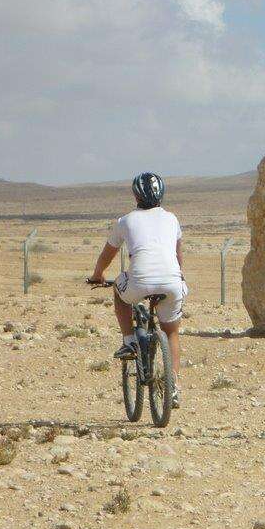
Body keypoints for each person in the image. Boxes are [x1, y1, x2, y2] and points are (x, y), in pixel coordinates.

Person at [89, 172, 188, 408]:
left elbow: (107, 254)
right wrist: (178, 275)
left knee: (118, 291)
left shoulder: (126, 221)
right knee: (172, 332)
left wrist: (97, 275)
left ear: (135, 195)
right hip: (172, 282)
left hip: (138, 283)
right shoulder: (172, 219)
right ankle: (172, 387)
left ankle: (130, 340)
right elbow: (178, 255)